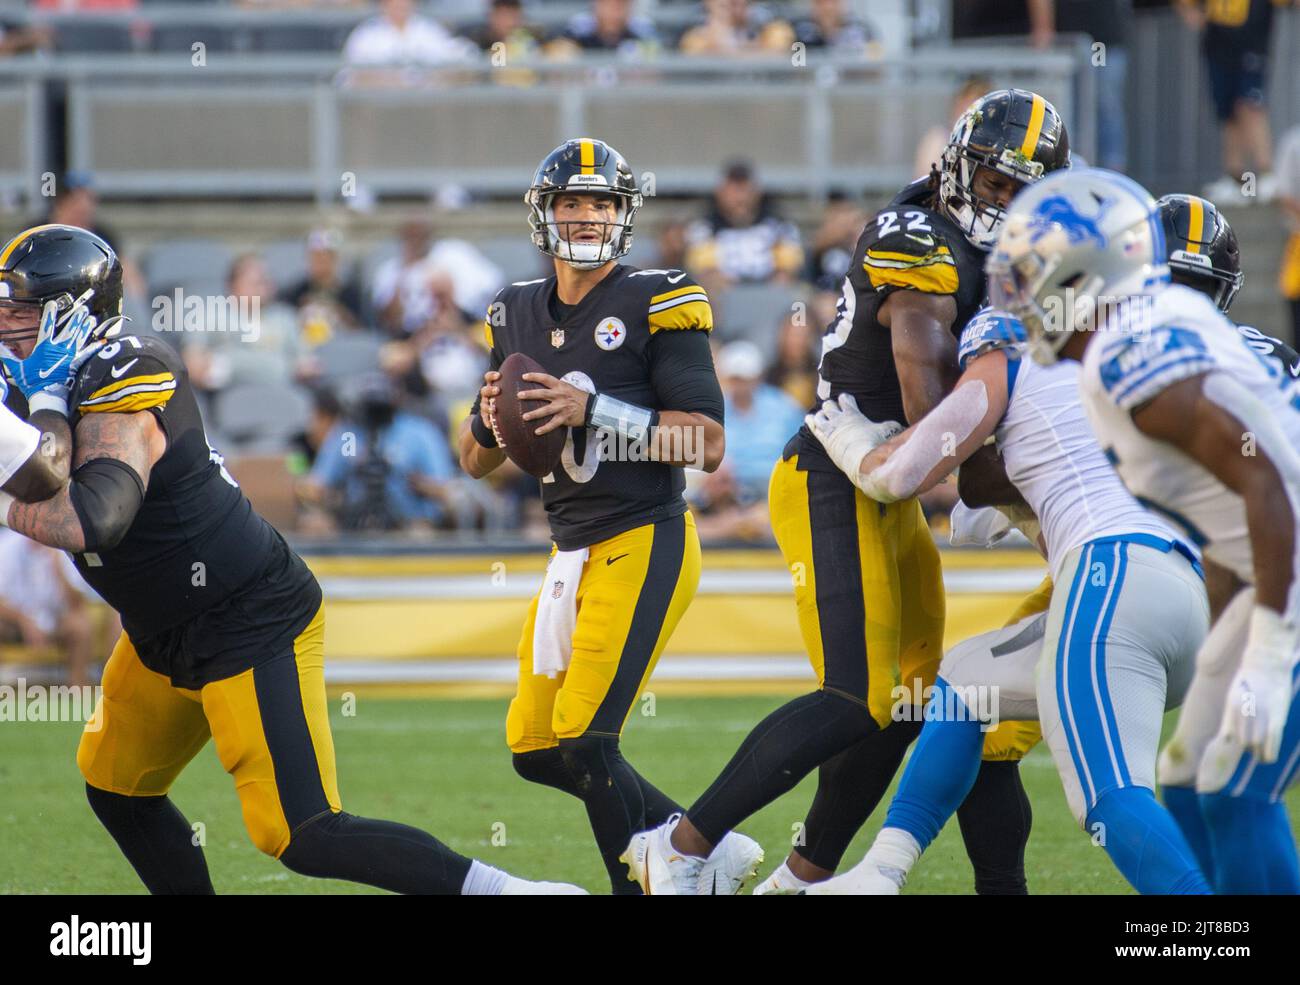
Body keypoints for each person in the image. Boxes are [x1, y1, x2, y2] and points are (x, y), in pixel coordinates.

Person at [0, 224, 582, 895]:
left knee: (303, 831)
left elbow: (95, 516)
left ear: (70, 314)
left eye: (20, 310)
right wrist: (36, 411)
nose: (6, 323)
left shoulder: (125, 368)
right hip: (159, 624)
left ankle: (510, 893)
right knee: (117, 786)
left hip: (245, 612)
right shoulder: (37, 374)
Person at [626, 90, 1072, 895]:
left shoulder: (1000, 260)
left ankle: (800, 881)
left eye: (1024, 192)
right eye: (996, 181)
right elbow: (933, 417)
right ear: (957, 164)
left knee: (908, 707)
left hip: (890, 489)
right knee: (856, 696)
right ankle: (682, 843)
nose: (1004, 204)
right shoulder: (919, 241)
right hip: (836, 471)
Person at [801, 305, 1209, 895]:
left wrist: (849, 444)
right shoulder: (1119, 381)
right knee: (967, 679)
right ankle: (880, 871)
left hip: (1112, 574)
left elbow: (899, 477)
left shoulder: (1008, 354)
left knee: (1112, 799)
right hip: (1182, 593)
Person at [458, 138, 760, 894]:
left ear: (623, 216)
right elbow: (475, 460)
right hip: (570, 553)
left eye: (602, 203)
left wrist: (597, 409)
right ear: (545, 213)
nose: (586, 216)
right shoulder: (514, 311)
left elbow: (709, 443)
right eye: (571, 201)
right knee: (536, 747)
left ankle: (657, 881)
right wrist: (492, 420)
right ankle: (704, 849)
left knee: (588, 739)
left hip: (643, 533)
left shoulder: (658, 297)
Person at [995, 166, 1300, 893]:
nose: (1022, 294)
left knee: (1227, 789)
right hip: (1264, 566)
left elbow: (1268, 480)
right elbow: (1222, 519)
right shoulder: (1129, 354)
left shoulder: (1132, 359)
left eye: (1037, 274)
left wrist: (1268, 647)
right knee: (1191, 782)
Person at [1176, 0, 1283, 201]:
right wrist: (1191, 13)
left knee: (1250, 106)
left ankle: (1267, 173)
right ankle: (1235, 177)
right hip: (1218, 46)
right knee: (1228, 113)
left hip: (1251, 42)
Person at [685, 160, 803, 293]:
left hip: (769, 288)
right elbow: (705, 268)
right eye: (734, 191)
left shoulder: (778, 223)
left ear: (757, 192)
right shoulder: (705, 227)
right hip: (725, 292)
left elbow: (788, 264)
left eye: (744, 190)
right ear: (720, 192)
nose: (740, 198)